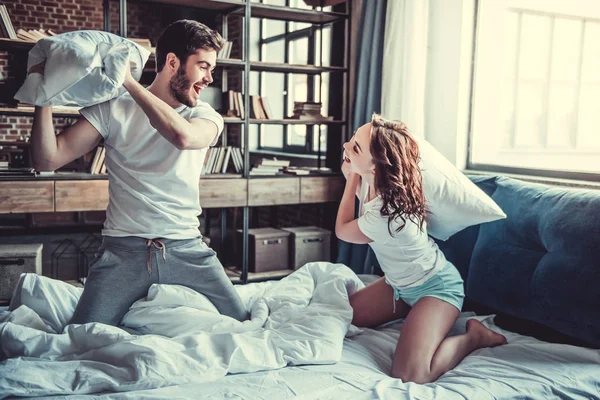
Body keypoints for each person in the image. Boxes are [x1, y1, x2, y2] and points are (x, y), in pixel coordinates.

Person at [29, 20, 248, 327]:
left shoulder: (205, 115)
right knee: (80, 336)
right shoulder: (112, 109)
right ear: (172, 62)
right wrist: (43, 94)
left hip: (187, 249)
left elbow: (183, 138)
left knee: (244, 325)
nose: (210, 78)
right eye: (203, 66)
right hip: (123, 252)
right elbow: (47, 160)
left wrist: (129, 84)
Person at [336, 114, 506, 383]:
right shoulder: (378, 181)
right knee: (342, 315)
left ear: (375, 166)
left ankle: (475, 336)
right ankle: (410, 310)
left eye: (355, 147)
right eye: (353, 140)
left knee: (411, 375)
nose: (346, 146)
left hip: (436, 288)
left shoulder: (386, 213)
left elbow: (342, 230)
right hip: (398, 286)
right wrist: (355, 172)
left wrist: (349, 180)